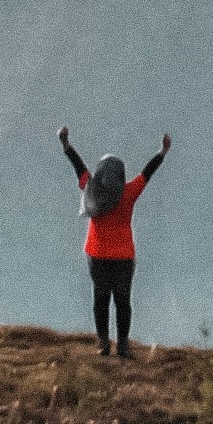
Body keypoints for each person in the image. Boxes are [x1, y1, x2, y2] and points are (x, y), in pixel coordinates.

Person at [59, 123, 171, 357]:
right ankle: (123, 346)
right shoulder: (128, 193)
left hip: (96, 254)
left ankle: (103, 345)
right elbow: (147, 173)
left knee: (100, 299)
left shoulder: (91, 189)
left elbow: (78, 167)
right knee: (122, 302)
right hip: (123, 257)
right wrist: (162, 152)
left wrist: (66, 144)